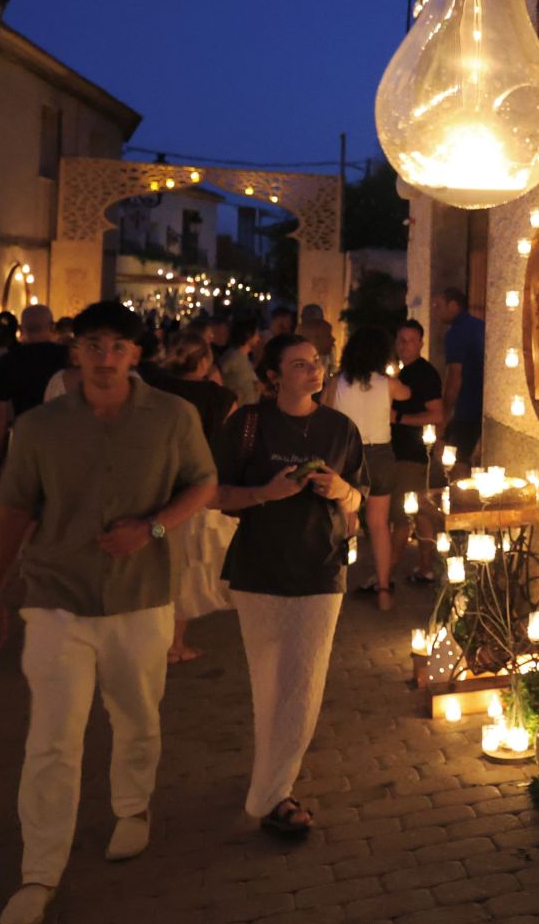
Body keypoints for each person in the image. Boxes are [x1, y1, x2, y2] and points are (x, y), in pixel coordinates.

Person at [0, 302, 219, 924]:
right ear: (75, 352)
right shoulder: (40, 427)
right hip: (57, 595)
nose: (105, 357)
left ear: (136, 353)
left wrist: (153, 528)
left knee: (136, 714)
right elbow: (11, 512)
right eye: (93, 345)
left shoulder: (173, 416)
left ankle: (132, 806)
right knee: (53, 737)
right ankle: (40, 868)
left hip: (141, 597)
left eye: (117, 346)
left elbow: (203, 483)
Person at [211, 333, 364, 840]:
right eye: (299, 365)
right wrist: (266, 493)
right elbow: (216, 495)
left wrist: (342, 490)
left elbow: (360, 498)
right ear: (274, 375)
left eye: (316, 363)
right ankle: (272, 784)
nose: (313, 372)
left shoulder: (339, 428)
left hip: (321, 568)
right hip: (259, 570)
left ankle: (272, 794)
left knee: (303, 685)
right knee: (269, 683)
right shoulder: (248, 425)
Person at [141, 332, 237, 662]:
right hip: (201, 490)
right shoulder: (221, 397)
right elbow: (229, 446)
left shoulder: (154, 393)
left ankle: (159, 640)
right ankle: (174, 643)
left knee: (163, 566)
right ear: (206, 360)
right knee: (189, 571)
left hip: (160, 488)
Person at [322, 326, 414, 610]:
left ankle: (336, 583)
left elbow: (322, 408)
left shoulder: (337, 382)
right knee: (379, 524)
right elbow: (407, 395)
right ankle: (384, 589)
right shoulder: (387, 384)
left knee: (347, 519)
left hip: (348, 454)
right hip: (381, 455)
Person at [0, 305, 70, 488]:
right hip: (63, 441)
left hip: (24, 440)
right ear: (52, 326)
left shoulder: (8, 362)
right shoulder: (68, 358)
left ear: (21, 329)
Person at [388, 319, 445, 583]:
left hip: (411, 453)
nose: (405, 345)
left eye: (411, 340)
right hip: (403, 451)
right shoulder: (404, 372)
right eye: (401, 340)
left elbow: (436, 414)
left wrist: (397, 418)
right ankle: (426, 568)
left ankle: (384, 576)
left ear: (421, 343)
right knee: (420, 512)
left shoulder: (425, 373)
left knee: (402, 516)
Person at [434, 288, 484, 471]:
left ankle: (458, 499)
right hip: (484, 407)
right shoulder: (480, 326)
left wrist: (444, 412)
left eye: (438, 305)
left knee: (457, 463)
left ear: (453, 306)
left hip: (466, 408)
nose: (434, 311)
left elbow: (455, 374)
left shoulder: (456, 333)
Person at [217, 317, 261, 407]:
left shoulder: (245, 357)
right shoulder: (233, 356)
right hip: (236, 412)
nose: (258, 338)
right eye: (256, 334)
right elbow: (215, 377)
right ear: (248, 335)